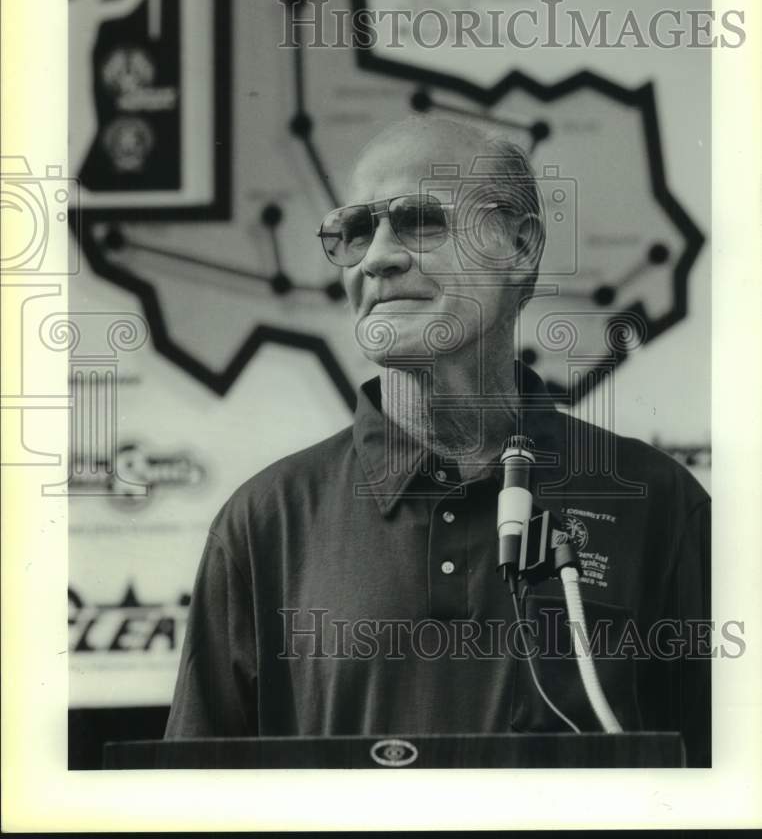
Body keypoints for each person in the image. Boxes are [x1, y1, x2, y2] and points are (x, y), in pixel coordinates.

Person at [165, 116, 710, 766]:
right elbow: (191, 799)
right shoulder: (265, 521)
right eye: (356, 231)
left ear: (521, 246)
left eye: (421, 220)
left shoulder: (655, 501)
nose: (377, 256)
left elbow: (727, 781)